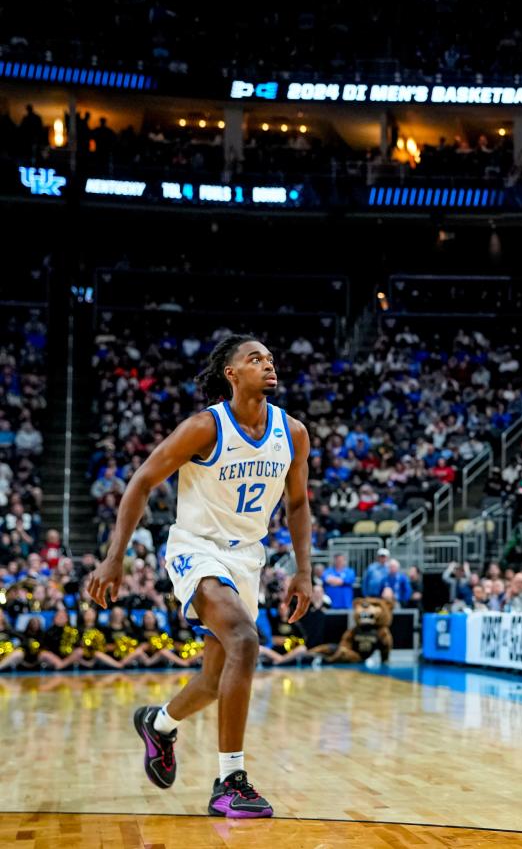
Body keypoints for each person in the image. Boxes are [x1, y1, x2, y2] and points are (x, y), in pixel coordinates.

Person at [85, 335, 312, 818]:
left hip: (249, 556)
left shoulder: (292, 432)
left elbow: (297, 503)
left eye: (271, 358)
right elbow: (143, 480)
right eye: (255, 359)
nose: (268, 365)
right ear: (231, 373)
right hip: (197, 547)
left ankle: (159, 725)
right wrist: (114, 556)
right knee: (246, 642)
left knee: (213, 680)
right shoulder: (205, 427)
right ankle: (230, 781)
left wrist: (303, 570)